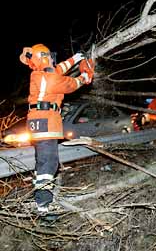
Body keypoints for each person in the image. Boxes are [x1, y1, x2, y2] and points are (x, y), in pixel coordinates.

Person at [19, 44, 94, 214]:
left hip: (40, 120)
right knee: (49, 163)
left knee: (42, 162)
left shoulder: (43, 74)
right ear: (44, 57)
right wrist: (84, 77)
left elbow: (59, 69)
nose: (53, 60)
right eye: (50, 57)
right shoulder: (45, 77)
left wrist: (76, 58)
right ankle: (43, 205)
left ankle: (40, 198)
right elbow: (69, 84)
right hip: (45, 120)